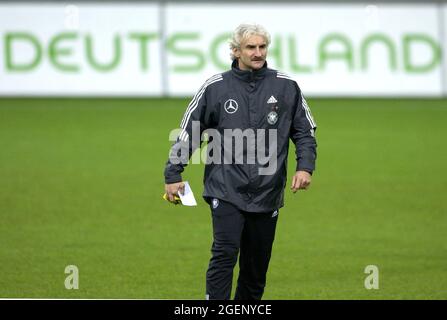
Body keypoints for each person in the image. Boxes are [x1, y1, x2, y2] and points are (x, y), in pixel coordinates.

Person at [164, 23, 317, 300]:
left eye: (262, 47)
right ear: (235, 51)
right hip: (226, 187)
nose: (258, 53)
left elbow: (305, 131)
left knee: (256, 267)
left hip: (267, 189)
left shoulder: (286, 86)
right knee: (224, 253)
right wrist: (173, 173)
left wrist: (305, 167)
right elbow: (190, 132)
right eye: (251, 47)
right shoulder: (215, 87)